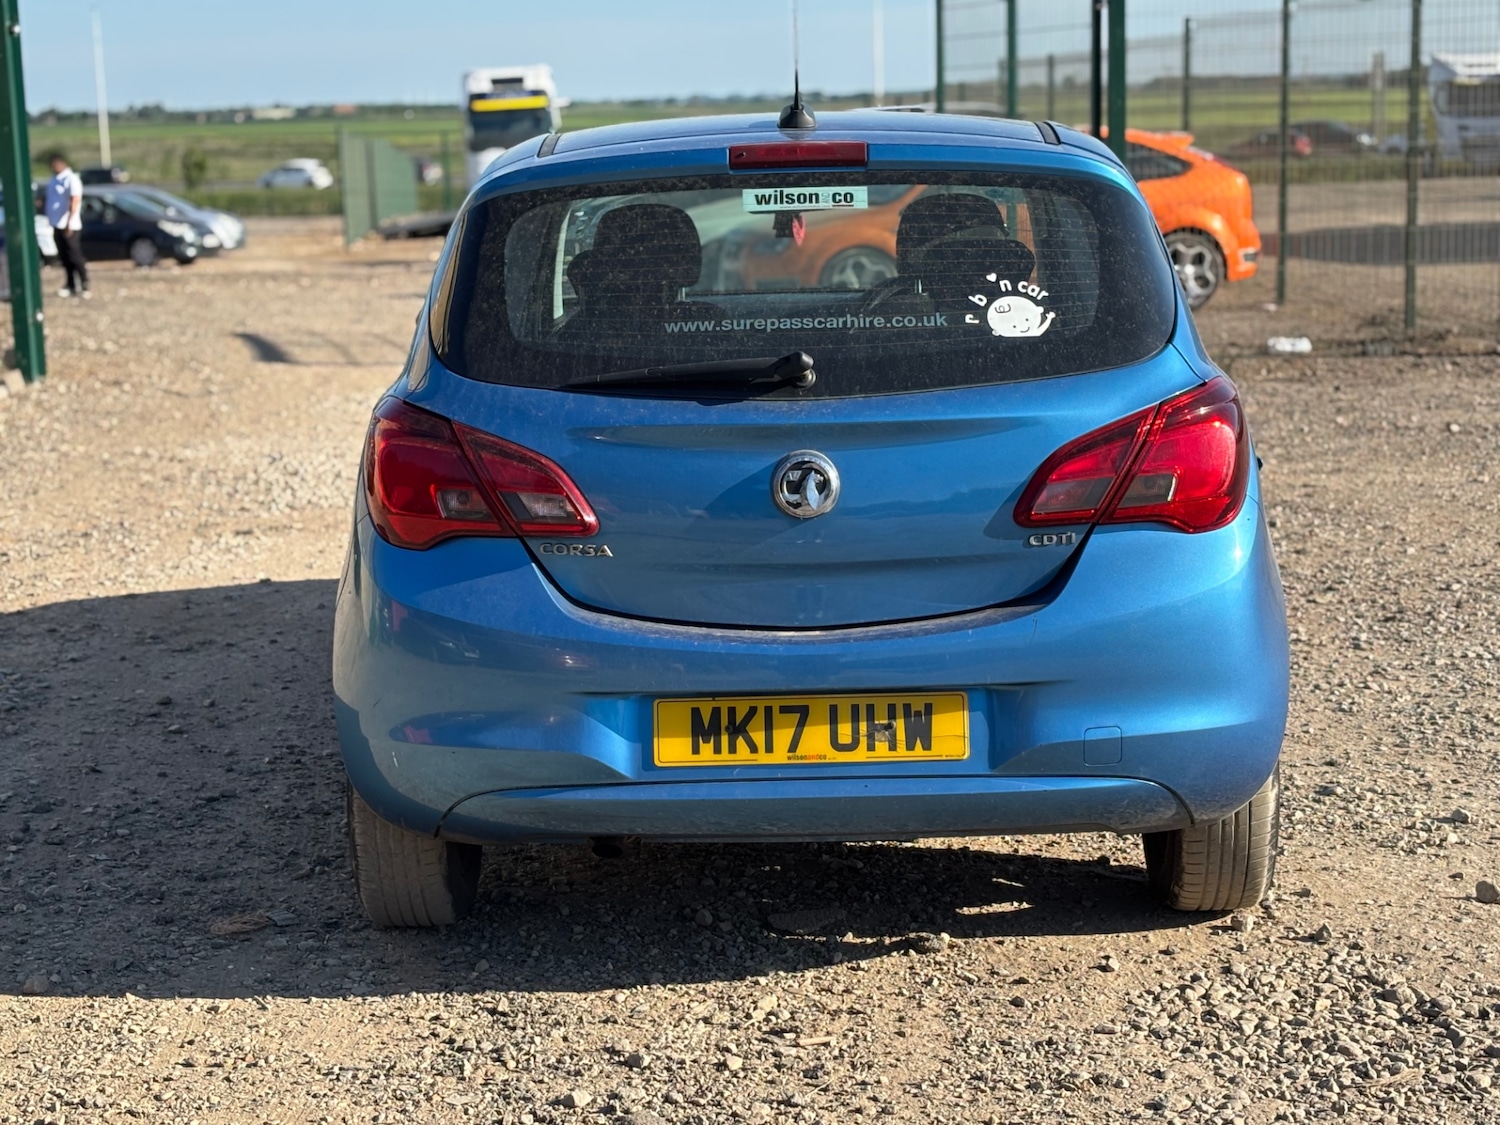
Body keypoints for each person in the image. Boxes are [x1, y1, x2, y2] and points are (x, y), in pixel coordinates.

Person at [45, 152, 89, 299]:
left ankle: (84, 283)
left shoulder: (71, 179)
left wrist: (70, 221)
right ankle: (70, 284)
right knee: (64, 256)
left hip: (69, 224)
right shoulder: (54, 179)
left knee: (74, 255)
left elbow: (74, 200)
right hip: (56, 223)